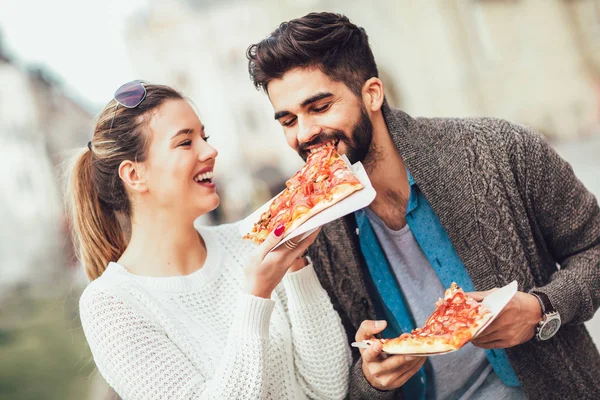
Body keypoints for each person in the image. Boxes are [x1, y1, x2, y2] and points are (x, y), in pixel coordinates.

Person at [246, 12, 600, 400]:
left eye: (320, 107)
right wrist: (370, 379)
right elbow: (331, 382)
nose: (305, 134)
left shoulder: (498, 149)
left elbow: (593, 246)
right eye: (287, 120)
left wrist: (542, 308)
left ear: (372, 94)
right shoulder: (310, 238)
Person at [65, 81, 351, 400]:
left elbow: (329, 388)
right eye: (186, 142)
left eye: (205, 137)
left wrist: (296, 266)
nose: (210, 151)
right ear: (134, 175)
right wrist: (257, 294)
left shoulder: (250, 241)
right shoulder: (111, 304)